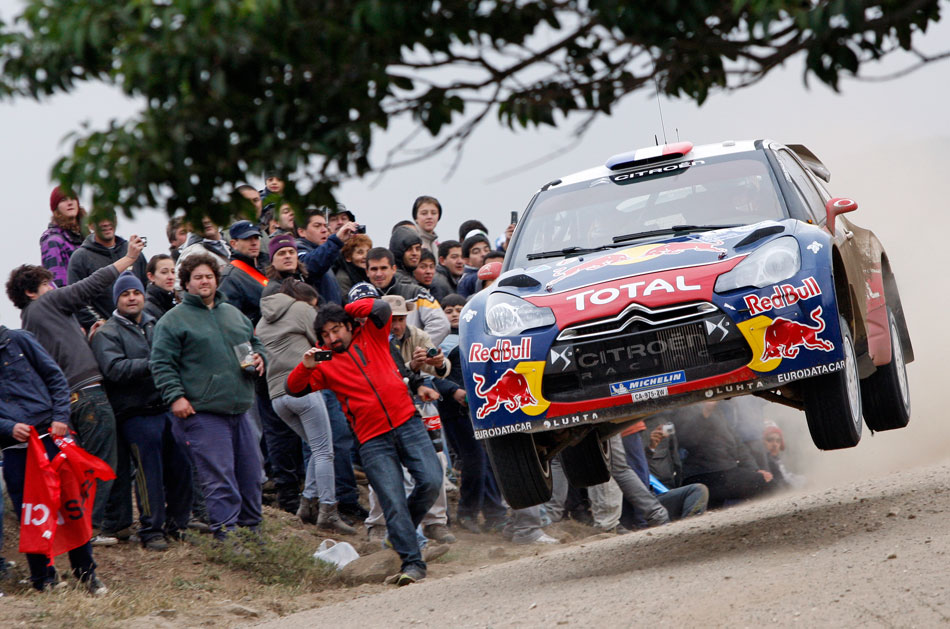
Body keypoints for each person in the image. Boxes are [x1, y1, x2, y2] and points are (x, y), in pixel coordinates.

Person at [286, 297, 443, 586]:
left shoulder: (372, 332)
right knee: (392, 500)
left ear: (349, 326)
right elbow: (293, 389)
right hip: (371, 439)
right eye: (325, 335)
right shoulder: (324, 360)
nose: (332, 338)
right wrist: (306, 366)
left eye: (336, 330)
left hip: (407, 421)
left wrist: (342, 309)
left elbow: (379, 307)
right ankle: (412, 562)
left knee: (432, 480)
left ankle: (399, 534)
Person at [8, 235, 145, 545]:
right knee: (102, 463)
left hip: (69, 400)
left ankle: (112, 523)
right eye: (47, 285)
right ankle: (88, 529)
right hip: (89, 395)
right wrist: (128, 259)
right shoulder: (46, 304)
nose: (55, 289)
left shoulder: (30, 321)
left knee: (96, 461)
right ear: (32, 292)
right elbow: (90, 285)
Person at [149, 253, 266, 540]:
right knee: (220, 478)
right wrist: (175, 397)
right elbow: (161, 363)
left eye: (209, 276)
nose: (205, 281)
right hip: (203, 413)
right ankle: (226, 536)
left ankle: (252, 534)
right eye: (198, 277)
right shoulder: (173, 321)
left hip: (240, 408)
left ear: (216, 279)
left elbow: (254, 341)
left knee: (251, 476)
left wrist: (260, 356)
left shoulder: (232, 313)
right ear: (186, 283)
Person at [0, 323, 107, 593]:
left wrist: (61, 416)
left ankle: (86, 573)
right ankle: (43, 579)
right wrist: (7, 427)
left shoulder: (20, 340)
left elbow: (56, 378)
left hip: (51, 437)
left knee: (71, 505)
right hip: (15, 448)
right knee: (31, 514)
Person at [90, 272, 193, 551]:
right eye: (125, 294)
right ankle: (151, 529)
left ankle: (178, 524)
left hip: (166, 408)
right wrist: (152, 364)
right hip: (134, 414)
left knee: (183, 465)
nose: (132, 298)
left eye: (135, 292)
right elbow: (113, 369)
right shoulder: (107, 332)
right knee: (149, 472)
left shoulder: (154, 323)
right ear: (117, 300)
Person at [256, 278, 356, 534]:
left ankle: (306, 503)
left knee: (316, 447)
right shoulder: (300, 309)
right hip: (303, 389)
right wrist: (341, 356)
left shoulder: (262, 321)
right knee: (325, 450)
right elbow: (323, 349)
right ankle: (328, 511)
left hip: (277, 397)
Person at [675, 401, 775, 509]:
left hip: (727, 471)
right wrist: (703, 415)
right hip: (700, 475)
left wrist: (754, 469)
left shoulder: (719, 412)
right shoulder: (684, 409)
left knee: (765, 481)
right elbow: (685, 440)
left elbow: (738, 445)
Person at [67, 209, 149, 327]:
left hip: (138, 329)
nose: (105, 223)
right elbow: (77, 301)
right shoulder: (80, 258)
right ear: (90, 225)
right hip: (102, 335)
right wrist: (102, 326)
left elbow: (146, 290)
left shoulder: (133, 252)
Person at [366, 247, 450, 345]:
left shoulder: (416, 293)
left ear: (394, 269)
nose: (379, 274)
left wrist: (417, 350)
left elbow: (441, 325)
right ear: (367, 272)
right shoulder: (361, 298)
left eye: (384, 268)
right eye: (374, 269)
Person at [295, 207, 357, 305]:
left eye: (325, 226)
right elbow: (309, 266)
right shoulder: (297, 249)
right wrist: (336, 241)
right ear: (301, 232)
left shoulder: (323, 252)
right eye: (317, 226)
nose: (324, 230)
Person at [219, 220, 268, 325]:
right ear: (233, 243)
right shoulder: (230, 277)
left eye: (256, 238)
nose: (254, 243)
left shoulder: (267, 265)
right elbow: (229, 319)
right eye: (247, 239)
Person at [40, 186, 86, 288]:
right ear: (56, 208)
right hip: (75, 300)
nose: (70, 203)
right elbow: (58, 285)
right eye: (63, 200)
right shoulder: (53, 242)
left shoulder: (88, 238)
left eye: (72, 198)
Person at [335, 233, 372, 300]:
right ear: (348, 257)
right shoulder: (343, 278)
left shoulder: (369, 274)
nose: (366, 256)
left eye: (368, 252)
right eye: (360, 252)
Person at [144, 254, 178, 320]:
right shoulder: (147, 308)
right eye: (164, 272)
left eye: (173, 272)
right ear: (151, 276)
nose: (170, 277)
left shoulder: (172, 302)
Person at [456, 234, 491, 298]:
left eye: (486, 250)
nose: (483, 254)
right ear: (467, 261)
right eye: (476, 252)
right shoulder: (469, 279)